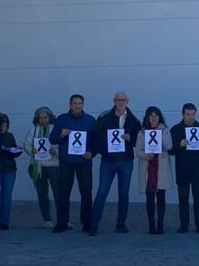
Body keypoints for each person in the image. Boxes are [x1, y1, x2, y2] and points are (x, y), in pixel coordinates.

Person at [92, 91, 140, 234]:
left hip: (126, 162)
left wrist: (129, 138)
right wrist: (103, 151)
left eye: (123, 100)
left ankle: (121, 224)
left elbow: (139, 139)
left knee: (124, 194)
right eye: (118, 100)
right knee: (102, 193)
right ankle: (93, 224)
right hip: (108, 162)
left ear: (127, 101)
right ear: (114, 101)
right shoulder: (104, 117)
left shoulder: (133, 120)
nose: (120, 102)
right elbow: (96, 137)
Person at [52, 94, 98, 234]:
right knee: (63, 193)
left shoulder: (90, 120)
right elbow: (52, 139)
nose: (77, 106)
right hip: (66, 162)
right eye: (75, 103)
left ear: (83, 104)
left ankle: (87, 222)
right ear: (70, 104)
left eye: (80, 103)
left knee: (86, 192)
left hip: (83, 162)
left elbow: (96, 142)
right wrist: (61, 134)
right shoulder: (61, 119)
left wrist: (92, 153)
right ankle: (62, 222)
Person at [170, 104, 199, 233]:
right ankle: (184, 225)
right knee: (183, 198)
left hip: (198, 169)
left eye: (193, 114)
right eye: (188, 114)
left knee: (198, 199)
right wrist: (179, 145)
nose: (190, 117)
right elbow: (170, 150)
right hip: (182, 170)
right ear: (183, 114)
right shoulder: (175, 129)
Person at [136, 106, 173, 234]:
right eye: (151, 115)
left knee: (161, 198)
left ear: (159, 117)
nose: (153, 118)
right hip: (148, 168)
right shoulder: (141, 132)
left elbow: (169, 146)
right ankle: (151, 224)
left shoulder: (165, 130)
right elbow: (138, 151)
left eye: (156, 115)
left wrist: (160, 136)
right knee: (150, 199)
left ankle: (160, 225)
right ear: (147, 117)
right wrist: (147, 155)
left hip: (161, 167)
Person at [23, 106, 59, 228]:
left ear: (50, 117)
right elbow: (26, 145)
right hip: (38, 167)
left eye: (45, 117)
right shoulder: (33, 130)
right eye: (40, 118)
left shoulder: (55, 129)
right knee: (42, 194)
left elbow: (62, 145)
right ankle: (47, 220)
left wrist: (56, 152)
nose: (43, 120)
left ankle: (62, 219)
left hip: (53, 165)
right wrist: (31, 150)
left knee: (59, 193)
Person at [0, 113, 23, 230]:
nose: (3, 128)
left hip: (9, 169)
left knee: (7, 196)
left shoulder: (10, 136)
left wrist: (16, 150)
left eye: (5, 125)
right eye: (1, 125)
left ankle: (4, 222)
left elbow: (13, 150)